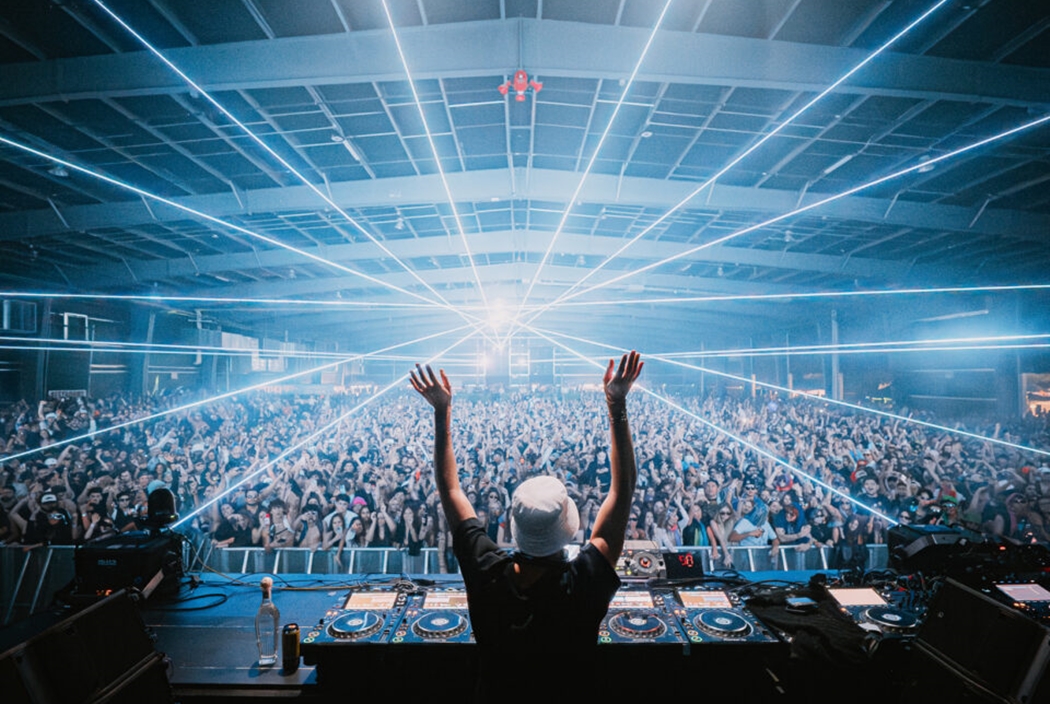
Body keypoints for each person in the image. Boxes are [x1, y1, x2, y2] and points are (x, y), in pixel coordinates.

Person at [410, 351, 642, 701]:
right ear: (568, 529)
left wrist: (442, 413)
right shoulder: (585, 581)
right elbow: (623, 490)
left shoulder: (486, 570)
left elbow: (451, 488)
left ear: (514, 526)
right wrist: (616, 405)